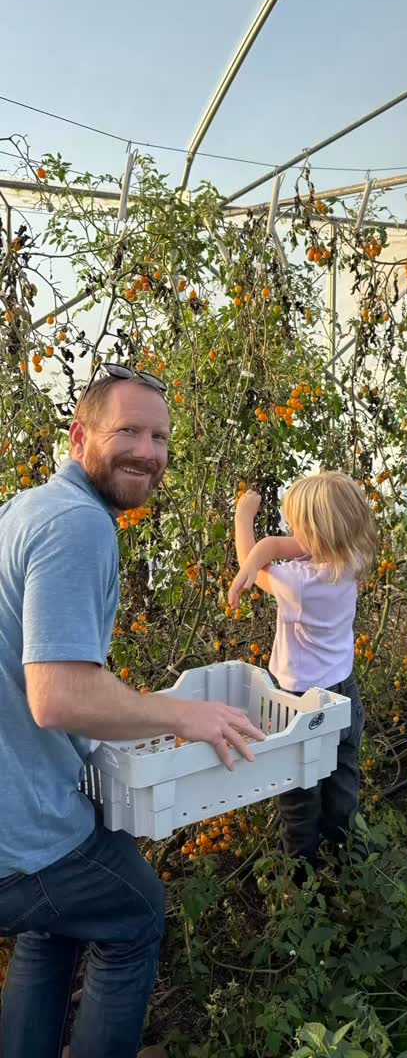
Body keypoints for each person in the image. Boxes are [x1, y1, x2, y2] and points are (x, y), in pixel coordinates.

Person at [0, 365, 264, 1058]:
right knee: (135, 912)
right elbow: (58, 696)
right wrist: (180, 715)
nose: (148, 451)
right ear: (80, 435)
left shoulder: (26, 507)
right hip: (17, 835)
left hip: (15, 812)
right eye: (128, 431)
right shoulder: (78, 526)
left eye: (159, 436)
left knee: (53, 925)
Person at [229, 471, 377, 871]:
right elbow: (281, 545)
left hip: (301, 705)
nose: (291, 533)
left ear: (316, 534)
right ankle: (347, 864)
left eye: (298, 526)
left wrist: (244, 517)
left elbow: (252, 562)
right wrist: (269, 546)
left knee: (299, 793)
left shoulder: (300, 583)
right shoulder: (353, 557)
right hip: (344, 696)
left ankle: (303, 880)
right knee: (342, 785)